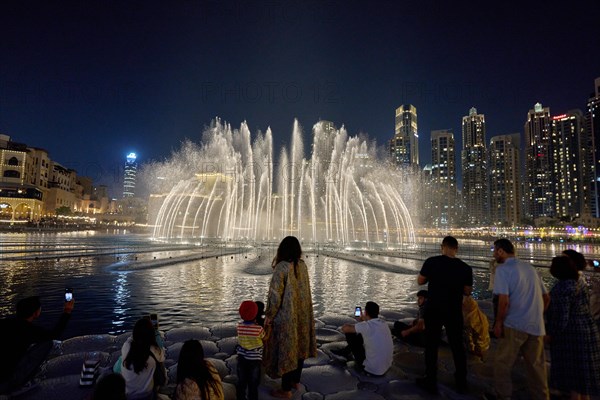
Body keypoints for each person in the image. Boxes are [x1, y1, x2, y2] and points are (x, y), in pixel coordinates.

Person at [490, 238, 550, 400]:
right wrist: (536, 315)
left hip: (514, 325)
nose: (494, 254)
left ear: (501, 251)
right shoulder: (529, 268)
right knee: (537, 369)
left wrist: (498, 322)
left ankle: (503, 396)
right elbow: (546, 298)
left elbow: (503, 300)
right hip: (536, 327)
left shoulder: (503, 270)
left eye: (495, 251)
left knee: (502, 364)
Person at [416, 236, 473, 394]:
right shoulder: (465, 268)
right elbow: (468, 291)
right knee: (457, 346)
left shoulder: (432, 262)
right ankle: (461, 381)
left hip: (434, 309)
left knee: (431, 345)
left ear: (442, 247)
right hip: (454, 311)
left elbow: (420, 281)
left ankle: (430, 380)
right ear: (456, 249)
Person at [263, 236, 317, 399]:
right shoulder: (302, 265)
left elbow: (275, 295)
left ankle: (285, 390)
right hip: (302, 316)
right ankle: (295, 381)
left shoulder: (282, 267)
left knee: (288, 351)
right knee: (299, 348)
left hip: (287, 317)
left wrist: (269, 315)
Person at [546, 256, 600, 399]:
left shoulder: (563, 287)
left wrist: (551, 334)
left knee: (573, 378)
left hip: (572, 335)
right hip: (587, 329)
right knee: (583, 377)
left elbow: (561, 317)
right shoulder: (578, 282)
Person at [0, 295, 75, 394]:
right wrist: (67, 311)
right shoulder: (29, 330)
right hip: (8, 381)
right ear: (36, 313)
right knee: (47, 343)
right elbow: (55, 334)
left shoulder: (5, 323)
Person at [339, 301, 394, 376]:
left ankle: (345, 352)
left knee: (350, 334)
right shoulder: (384, 323)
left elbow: (345, 329)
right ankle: (345, 351)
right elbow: (370, 326)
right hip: (386, 366)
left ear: (366, 312)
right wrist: (363, 320)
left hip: (372, 369)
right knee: (362, 333)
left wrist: (360, 320)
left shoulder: (366, 326)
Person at [119, 318, 166, 400]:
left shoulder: (126, 346)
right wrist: (156, 333)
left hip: (127, 395)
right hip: (147, 396)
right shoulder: (156, 350)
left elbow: (131, 339)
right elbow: (162, 364)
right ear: (152, 334)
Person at [236, 300, 265, 400]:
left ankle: (241, 397)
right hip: (255, 359)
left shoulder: (239, 326)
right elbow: (265, 338)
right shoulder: (258, 329)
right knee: (253, 383)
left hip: (241, 358)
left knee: (241, 381)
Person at [462, 295, 490, 360]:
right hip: (484, 347)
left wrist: (472, 349)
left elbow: (469, 339)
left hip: (477, 350)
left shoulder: (470, 320)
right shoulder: (480, 316)